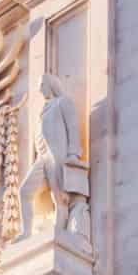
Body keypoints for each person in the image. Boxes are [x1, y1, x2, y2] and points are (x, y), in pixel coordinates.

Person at [19, 73, 89, 237]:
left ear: (50, 85)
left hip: (58, 156)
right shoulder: (42, 111)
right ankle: (26, 232)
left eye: (42, 86)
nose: (40, 90)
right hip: (42, 158)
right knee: (24, 191)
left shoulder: (62, 103)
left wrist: (73, 154)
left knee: (60, 197)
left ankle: (61, 231)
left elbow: (73, 128)